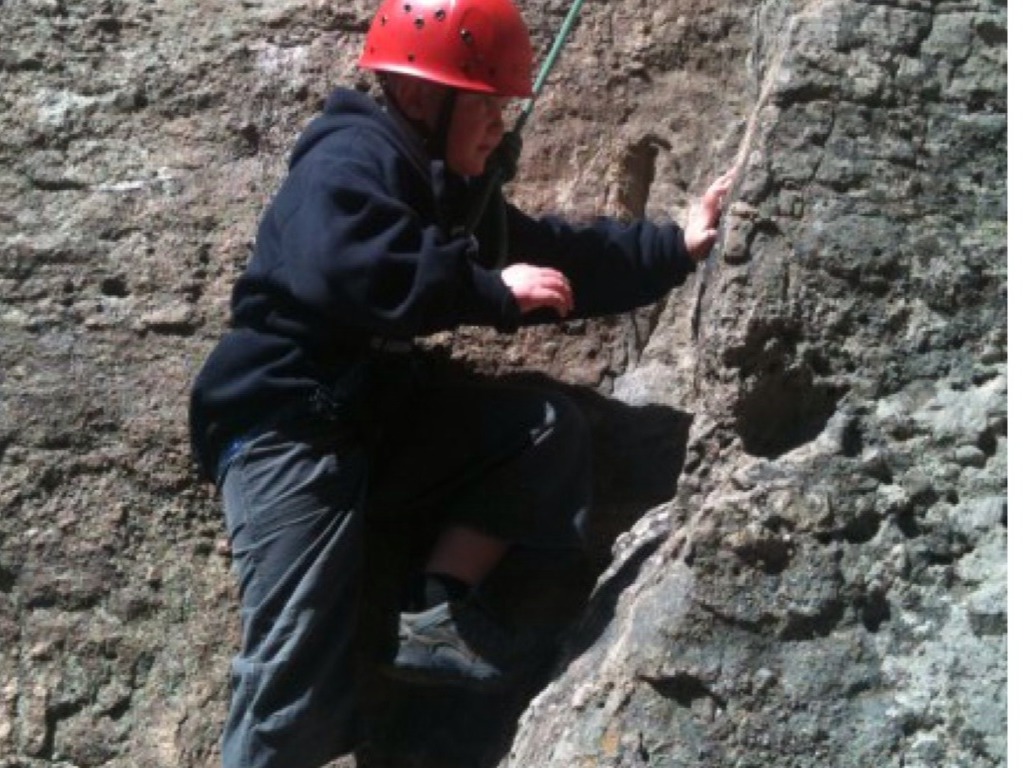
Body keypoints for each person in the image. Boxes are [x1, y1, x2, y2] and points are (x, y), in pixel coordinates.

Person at [189, 0, 735, 765]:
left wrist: (675, 246)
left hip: (372, 421)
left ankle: (435, 610)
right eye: (486, 106)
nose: (499, 127)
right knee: (294, 674)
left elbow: (554, 259)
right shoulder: (349, 156)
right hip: (287, 426)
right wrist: (487, 290)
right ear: (422, 96)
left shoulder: (439, 187)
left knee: (541, 430)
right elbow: (343, 264)